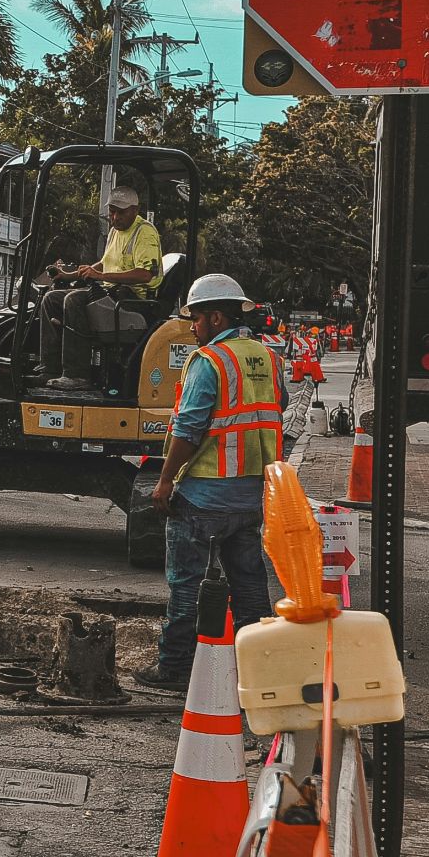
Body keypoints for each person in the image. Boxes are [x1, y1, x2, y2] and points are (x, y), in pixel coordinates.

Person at [134, 273, 286, 691]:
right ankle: (254, 670)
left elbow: (188, 428)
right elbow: (275, 410)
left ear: (216, 317)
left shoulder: (210, 361)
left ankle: (175, 667)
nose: (193, 328)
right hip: (251, 495)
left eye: (197, 319)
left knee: (186, 586)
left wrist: (164, 482)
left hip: (203, 494)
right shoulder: (267, 357)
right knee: (250, 587)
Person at [36, 186, 163, 390]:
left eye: (120, 212)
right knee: (51, 299)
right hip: (111, 293)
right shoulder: (115, 231)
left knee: (74, 300)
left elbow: (145, 275)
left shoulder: (144, 233)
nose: (115, 217)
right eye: (112, 211)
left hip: (134, 301)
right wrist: (69, 275)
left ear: (135, 210)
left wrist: (101, 277)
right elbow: (105, 263)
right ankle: (49, 369)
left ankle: (77, 375)